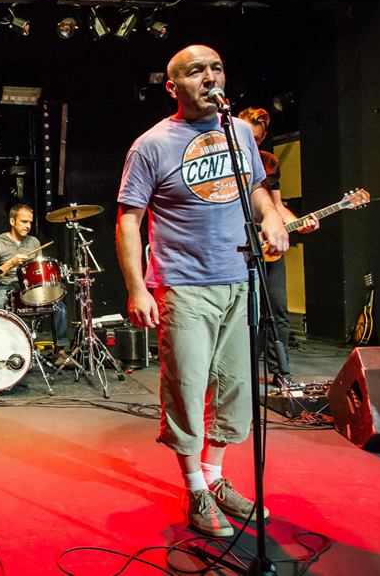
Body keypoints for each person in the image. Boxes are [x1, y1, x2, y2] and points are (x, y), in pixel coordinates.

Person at [115, 45, 289, 537]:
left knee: (235, 388)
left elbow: (255, 188)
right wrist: (137, 288)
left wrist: (272, 216)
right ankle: (194, 489)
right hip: (183, 286)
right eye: (197, 71)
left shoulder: (239, 132)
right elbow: (128, 221)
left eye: (217, 68)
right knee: (188, 391)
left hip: (239, 278)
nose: (210, 77)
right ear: (174, 87)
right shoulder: (151, 145)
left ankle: (214, 476)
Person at [237, 107, 318, 386]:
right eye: (250, 136)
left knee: (277, 309)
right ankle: (241, 371)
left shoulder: (268, 163)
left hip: (267, 247)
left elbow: (277, 206)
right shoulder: (227, 160)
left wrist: (299, 222)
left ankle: (280, 372)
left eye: (259, 138)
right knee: (245, 314)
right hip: (239, 245)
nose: (254, 142)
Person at [0, 203, 69, 358]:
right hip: (7, 288)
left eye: (30, 222)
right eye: (24, 221)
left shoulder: (34, 242)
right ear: (12, 221)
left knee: (60, 306)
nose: (28, 226)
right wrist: (11, 263)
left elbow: (39, 270)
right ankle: (3, 350)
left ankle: (60, 351)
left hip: (31, 287)